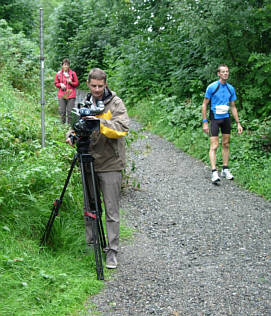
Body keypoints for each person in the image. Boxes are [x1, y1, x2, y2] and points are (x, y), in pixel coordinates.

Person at [66, 68, 129, 269]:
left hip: (110, 163)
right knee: (90, 207)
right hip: (88, 161)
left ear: (105, 84)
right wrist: (72, 134)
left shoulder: (115, 103)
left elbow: (122, 128)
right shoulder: (85, 102)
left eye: (100, 86)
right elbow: (77, 125)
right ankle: (91, 245)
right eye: (93, 86)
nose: (97, 89)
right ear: (88, 84)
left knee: (111, 211)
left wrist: (99, 122)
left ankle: (112, 252)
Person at [202, 64, 243, 184]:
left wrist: (238, 123)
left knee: (226, 144)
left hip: (226, 119)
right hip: (214, 118)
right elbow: (204, 105)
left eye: (227, 72)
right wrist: (205, 122)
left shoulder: (230, 88)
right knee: (214, 145)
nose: (226, 74)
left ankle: (225, 169)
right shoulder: (212, 87)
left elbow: (233, 106)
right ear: (218, 74)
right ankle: (214, 172)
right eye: (223, 72)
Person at [54, 58, 79, 124]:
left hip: (70, 94)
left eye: (67, 65)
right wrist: (60, 84)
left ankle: (69, 127)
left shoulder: (73, 73)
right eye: (65, 65)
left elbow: (76, 84)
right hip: (62, 94)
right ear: (62, 65)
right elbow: (56, 83)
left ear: (69, 66)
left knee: (70, 112)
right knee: (62, 111)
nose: (66, 66)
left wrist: (71, 82)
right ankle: (62, 127)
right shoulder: (58, 74)